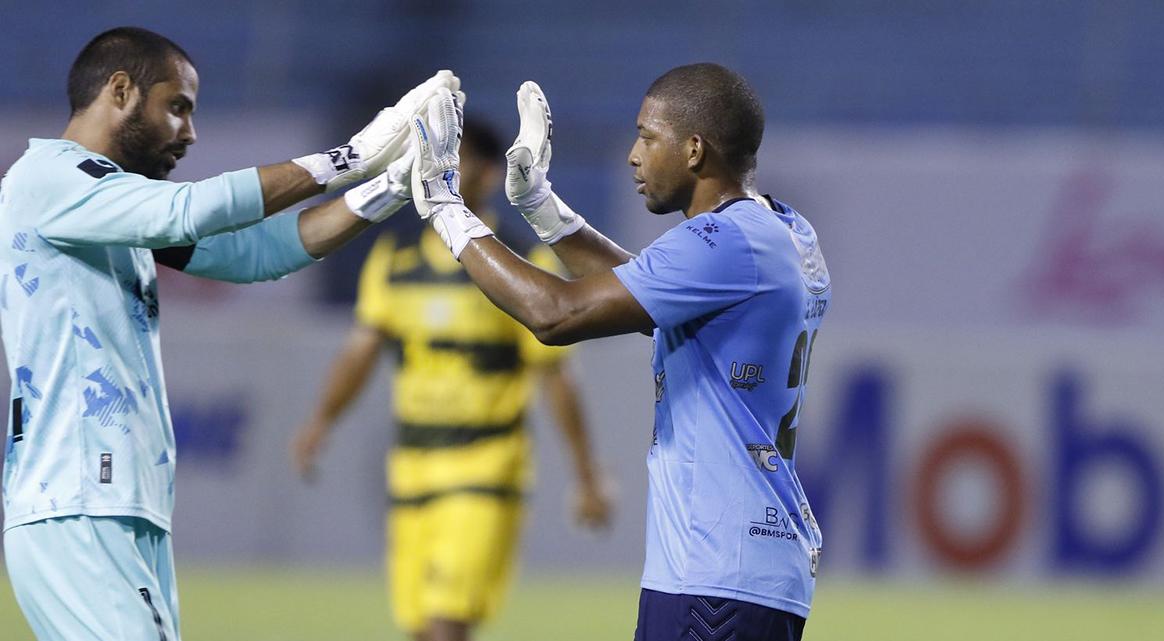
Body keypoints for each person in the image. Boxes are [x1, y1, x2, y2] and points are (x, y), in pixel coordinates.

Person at [0, 26, 461, 641]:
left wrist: (390, 186)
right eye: (177, 106)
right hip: (77, 500)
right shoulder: (49, 178)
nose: (190, 132)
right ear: (120, 90)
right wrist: (350, 158)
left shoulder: (105, 203)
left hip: (115, 503)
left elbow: (254, 254)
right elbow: (185, 211)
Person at [395, 63, 830, 640]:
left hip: (715, 571)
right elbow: (641, 290)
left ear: (694, 149)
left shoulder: (724, 242)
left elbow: (556, 314)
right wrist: (541, 206)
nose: (633, 155)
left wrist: (447, 209)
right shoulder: (784, 229)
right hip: (750, 567)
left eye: (648, 137)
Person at [290, 119, 612, 641]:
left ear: (487, 174)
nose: (439, 172)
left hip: (485, 465)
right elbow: (362, 349)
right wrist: (320, 422)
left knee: (446, 625)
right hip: (411, 469)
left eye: (454, 161)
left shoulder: (519, 266)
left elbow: (555, 376)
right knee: (421, 628)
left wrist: (586, 475)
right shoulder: (394, 260)